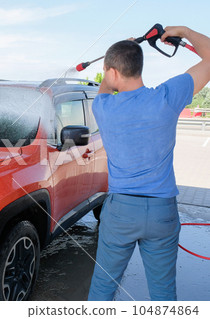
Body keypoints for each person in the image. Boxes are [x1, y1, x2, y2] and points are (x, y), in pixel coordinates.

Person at [87, 26, 210, 301]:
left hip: (120, 212)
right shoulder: (167, 97)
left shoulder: (104, 108)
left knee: (102, 289)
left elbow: (106, 88)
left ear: (112, 71)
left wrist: (119, 53)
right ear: (139, 67)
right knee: (163, 293)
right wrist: (183, 31)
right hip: (161, 212)